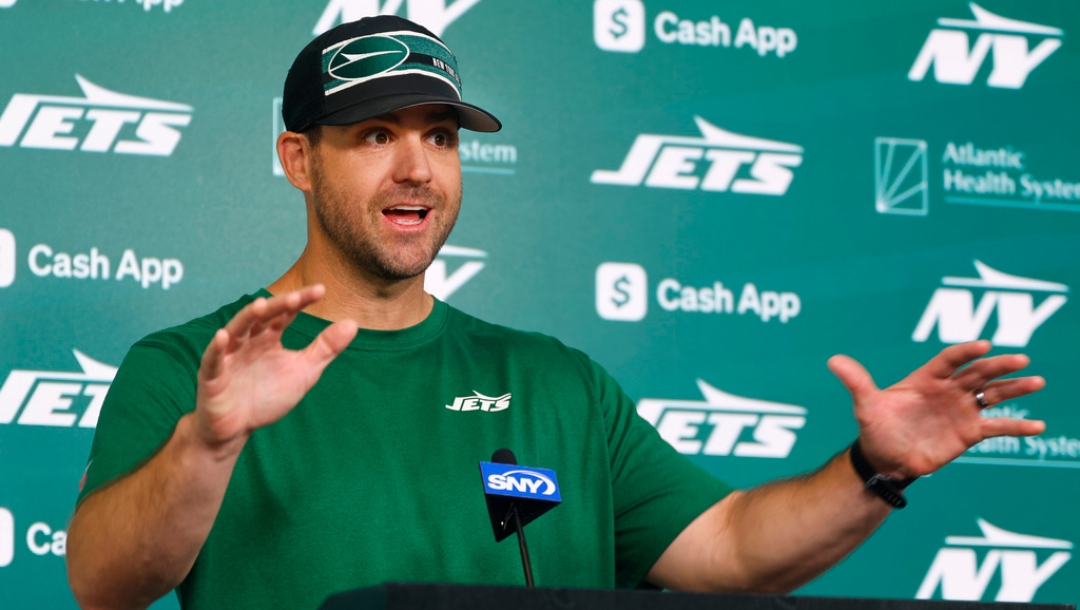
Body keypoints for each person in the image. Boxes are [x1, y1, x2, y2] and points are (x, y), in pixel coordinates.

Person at [65, 15, 1047, 610]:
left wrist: (872, 467)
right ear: (298, 159)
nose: (418, 168)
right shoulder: (195, 368)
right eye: (375, 134)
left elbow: (735, 548)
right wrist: (207, 444)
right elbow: (101, 585)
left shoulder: (553, 381)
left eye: (440, 137)